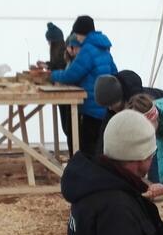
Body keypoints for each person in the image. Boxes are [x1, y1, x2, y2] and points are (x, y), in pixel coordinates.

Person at [49, 15, 116, 157]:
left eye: (77, 34)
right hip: (105, 108)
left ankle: (87, 176)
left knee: (86, 148)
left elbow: (71, 75)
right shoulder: (104, 48)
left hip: (90, 108)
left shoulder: (87, 50)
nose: (76, 38)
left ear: (81, 33)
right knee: (100, 148)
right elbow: (114, 72)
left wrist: (52, 75)